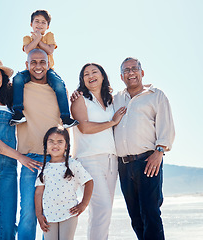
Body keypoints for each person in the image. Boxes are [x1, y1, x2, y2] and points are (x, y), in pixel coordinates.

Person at [0, 49, 68, 240]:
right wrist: (21, 157)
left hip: (8, 168)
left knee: (8, 226)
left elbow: (40, 82)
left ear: (4, 79)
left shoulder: (12, 104)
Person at [114, 57, 175, 240]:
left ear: (142, 72)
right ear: (121, 76)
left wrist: (159, 152)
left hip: (148, 161)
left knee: (150, 213)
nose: (130, 73)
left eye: (134, 69)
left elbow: (166, 127)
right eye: (126, 70)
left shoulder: (156, 95)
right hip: (123, 165)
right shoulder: (116, 98)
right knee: (135, 217)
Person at [70, 63, 126, 240]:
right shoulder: (80, 99)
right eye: (86, 74)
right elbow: (84, 128)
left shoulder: (110, 100)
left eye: (95, 72)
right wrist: (112, 122)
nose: (90, 76)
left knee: (105, 209)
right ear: (82, 80)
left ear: (102, 76)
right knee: (102, 208)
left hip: (111, 160)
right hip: (89, 159)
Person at [10, 9, 78, 128]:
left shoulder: (49, 36)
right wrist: (36, 39)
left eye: (43, 22)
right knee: (18, 79)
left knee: (59, 85)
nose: (40, 24)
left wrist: (39, 39)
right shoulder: (27, 38)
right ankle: (18, 113)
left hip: (48, 70)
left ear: (47, 26)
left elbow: (50, 50)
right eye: (37, 21)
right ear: (31, 24)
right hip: (31, 69)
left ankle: (66, 117)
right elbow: (28, 50)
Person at [34, 126, 93, 240]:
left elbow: (89, 182)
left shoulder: (73, 164)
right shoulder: (44, 167)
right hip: (49, 215)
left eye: (60, 142)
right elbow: (38, 193)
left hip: (69, 212)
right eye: (51, 142)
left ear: (66, 146)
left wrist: (83, 204)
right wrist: (39, 214)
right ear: (46, 145)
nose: (55, 145)